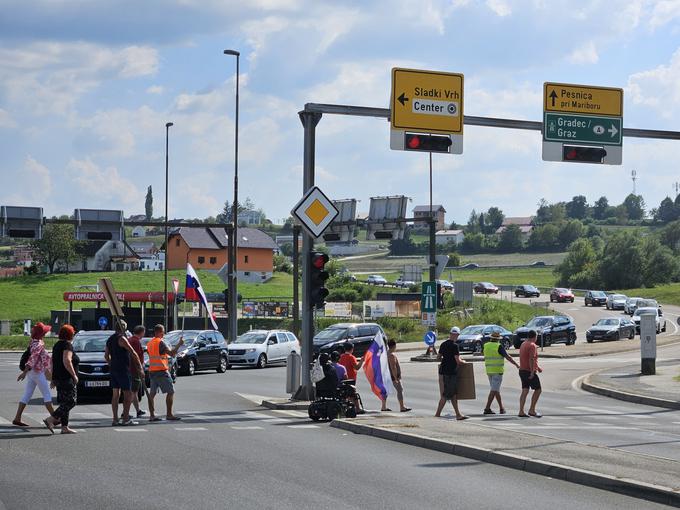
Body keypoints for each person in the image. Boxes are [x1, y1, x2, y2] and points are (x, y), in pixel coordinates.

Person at [13, 322, 56, 427]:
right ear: (41, 334)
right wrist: (24, 372)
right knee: (46, 394)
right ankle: (55, 418)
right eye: (44, 332)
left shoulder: (34, 341)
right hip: (37, 372)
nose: (46, 333)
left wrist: (26, 372)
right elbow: (33, 358)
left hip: (32, 372)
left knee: (27, 394)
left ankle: (17, 418)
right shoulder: (39, 344)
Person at [105, 320, 143, 426]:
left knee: (115, 394)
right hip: (123, 369)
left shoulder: (110, 339)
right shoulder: (121, 338)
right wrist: (140, 367)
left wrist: (111, 364)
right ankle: (126, 418)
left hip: (114, 369)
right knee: (128, 393)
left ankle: (115, 419)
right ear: (123, 328)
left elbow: (106, 356)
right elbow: (133, 352)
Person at [43, 325, 79, 434]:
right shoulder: (67, 345)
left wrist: (54, 378)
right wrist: (74, 375)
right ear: (70, 334)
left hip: (59, 378)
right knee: (71, 401)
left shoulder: (57, 345)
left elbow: (53, 362)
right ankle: (51, 419)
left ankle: (64, 427)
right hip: (66, 378)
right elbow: (67, 360)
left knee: (64, 402)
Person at [146, 324, 184, 422]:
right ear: (158, 332)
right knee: (171, 391)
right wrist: (179, 344)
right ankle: (169, 414)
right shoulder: (161, 342)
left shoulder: (150, 343)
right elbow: (171, 353)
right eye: (163, 331)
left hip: (152, 371)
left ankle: (152, 415)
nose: (164, 334)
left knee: (152, 394)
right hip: (161, 371)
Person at [434, 326, 468, 420]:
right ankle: (437, 414)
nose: (456, 336)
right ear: (456, 335)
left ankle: (458, 414)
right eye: (457, 335)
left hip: (443, 371)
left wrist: (445, 359)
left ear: (450, 334)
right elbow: (458, 361)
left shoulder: (443, 344)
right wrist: (464, 362)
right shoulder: (455, 346)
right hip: (451, 372)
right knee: (446, 395)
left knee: (453, 394)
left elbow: (438, 357)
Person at [482, 331, 519, 415]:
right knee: (494, 390)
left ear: (491, 338)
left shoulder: (486, 345)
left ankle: (501, 408)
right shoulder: (499, 346)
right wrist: (516, 364)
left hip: (489, 371)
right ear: (498, 339)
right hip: (497, 371)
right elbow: (508, 357)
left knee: (495, 390)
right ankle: (487, 408)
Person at [518, 330, 543, 418]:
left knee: (525, 390)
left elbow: (526, 357)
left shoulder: (523, 344)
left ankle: (521, 411)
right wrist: (533, 372)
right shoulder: (532, 345)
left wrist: (538, 367)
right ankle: (532, 410)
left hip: (522, 370)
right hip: (529, 371)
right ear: (534, 336)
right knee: (538, 390)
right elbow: (531, 359)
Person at [127, 325, 147, 418]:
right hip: (134, 369)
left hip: (130, 368)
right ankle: (125, 412)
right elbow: (136, 356)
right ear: (142, 332)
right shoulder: (135, 341)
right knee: (133, 392)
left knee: (134, 391)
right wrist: (140, 369)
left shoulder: (130, 340)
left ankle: (137, 410)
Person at [387, 339, 411, 412]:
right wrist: (396, 378)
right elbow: (393, 367)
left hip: (389, 375)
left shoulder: (387, 353)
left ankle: (384, 406)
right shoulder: (391, 355)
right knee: (400, 390)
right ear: (394, 346)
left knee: (387, 391)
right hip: (394, 376)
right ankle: (402, 407)